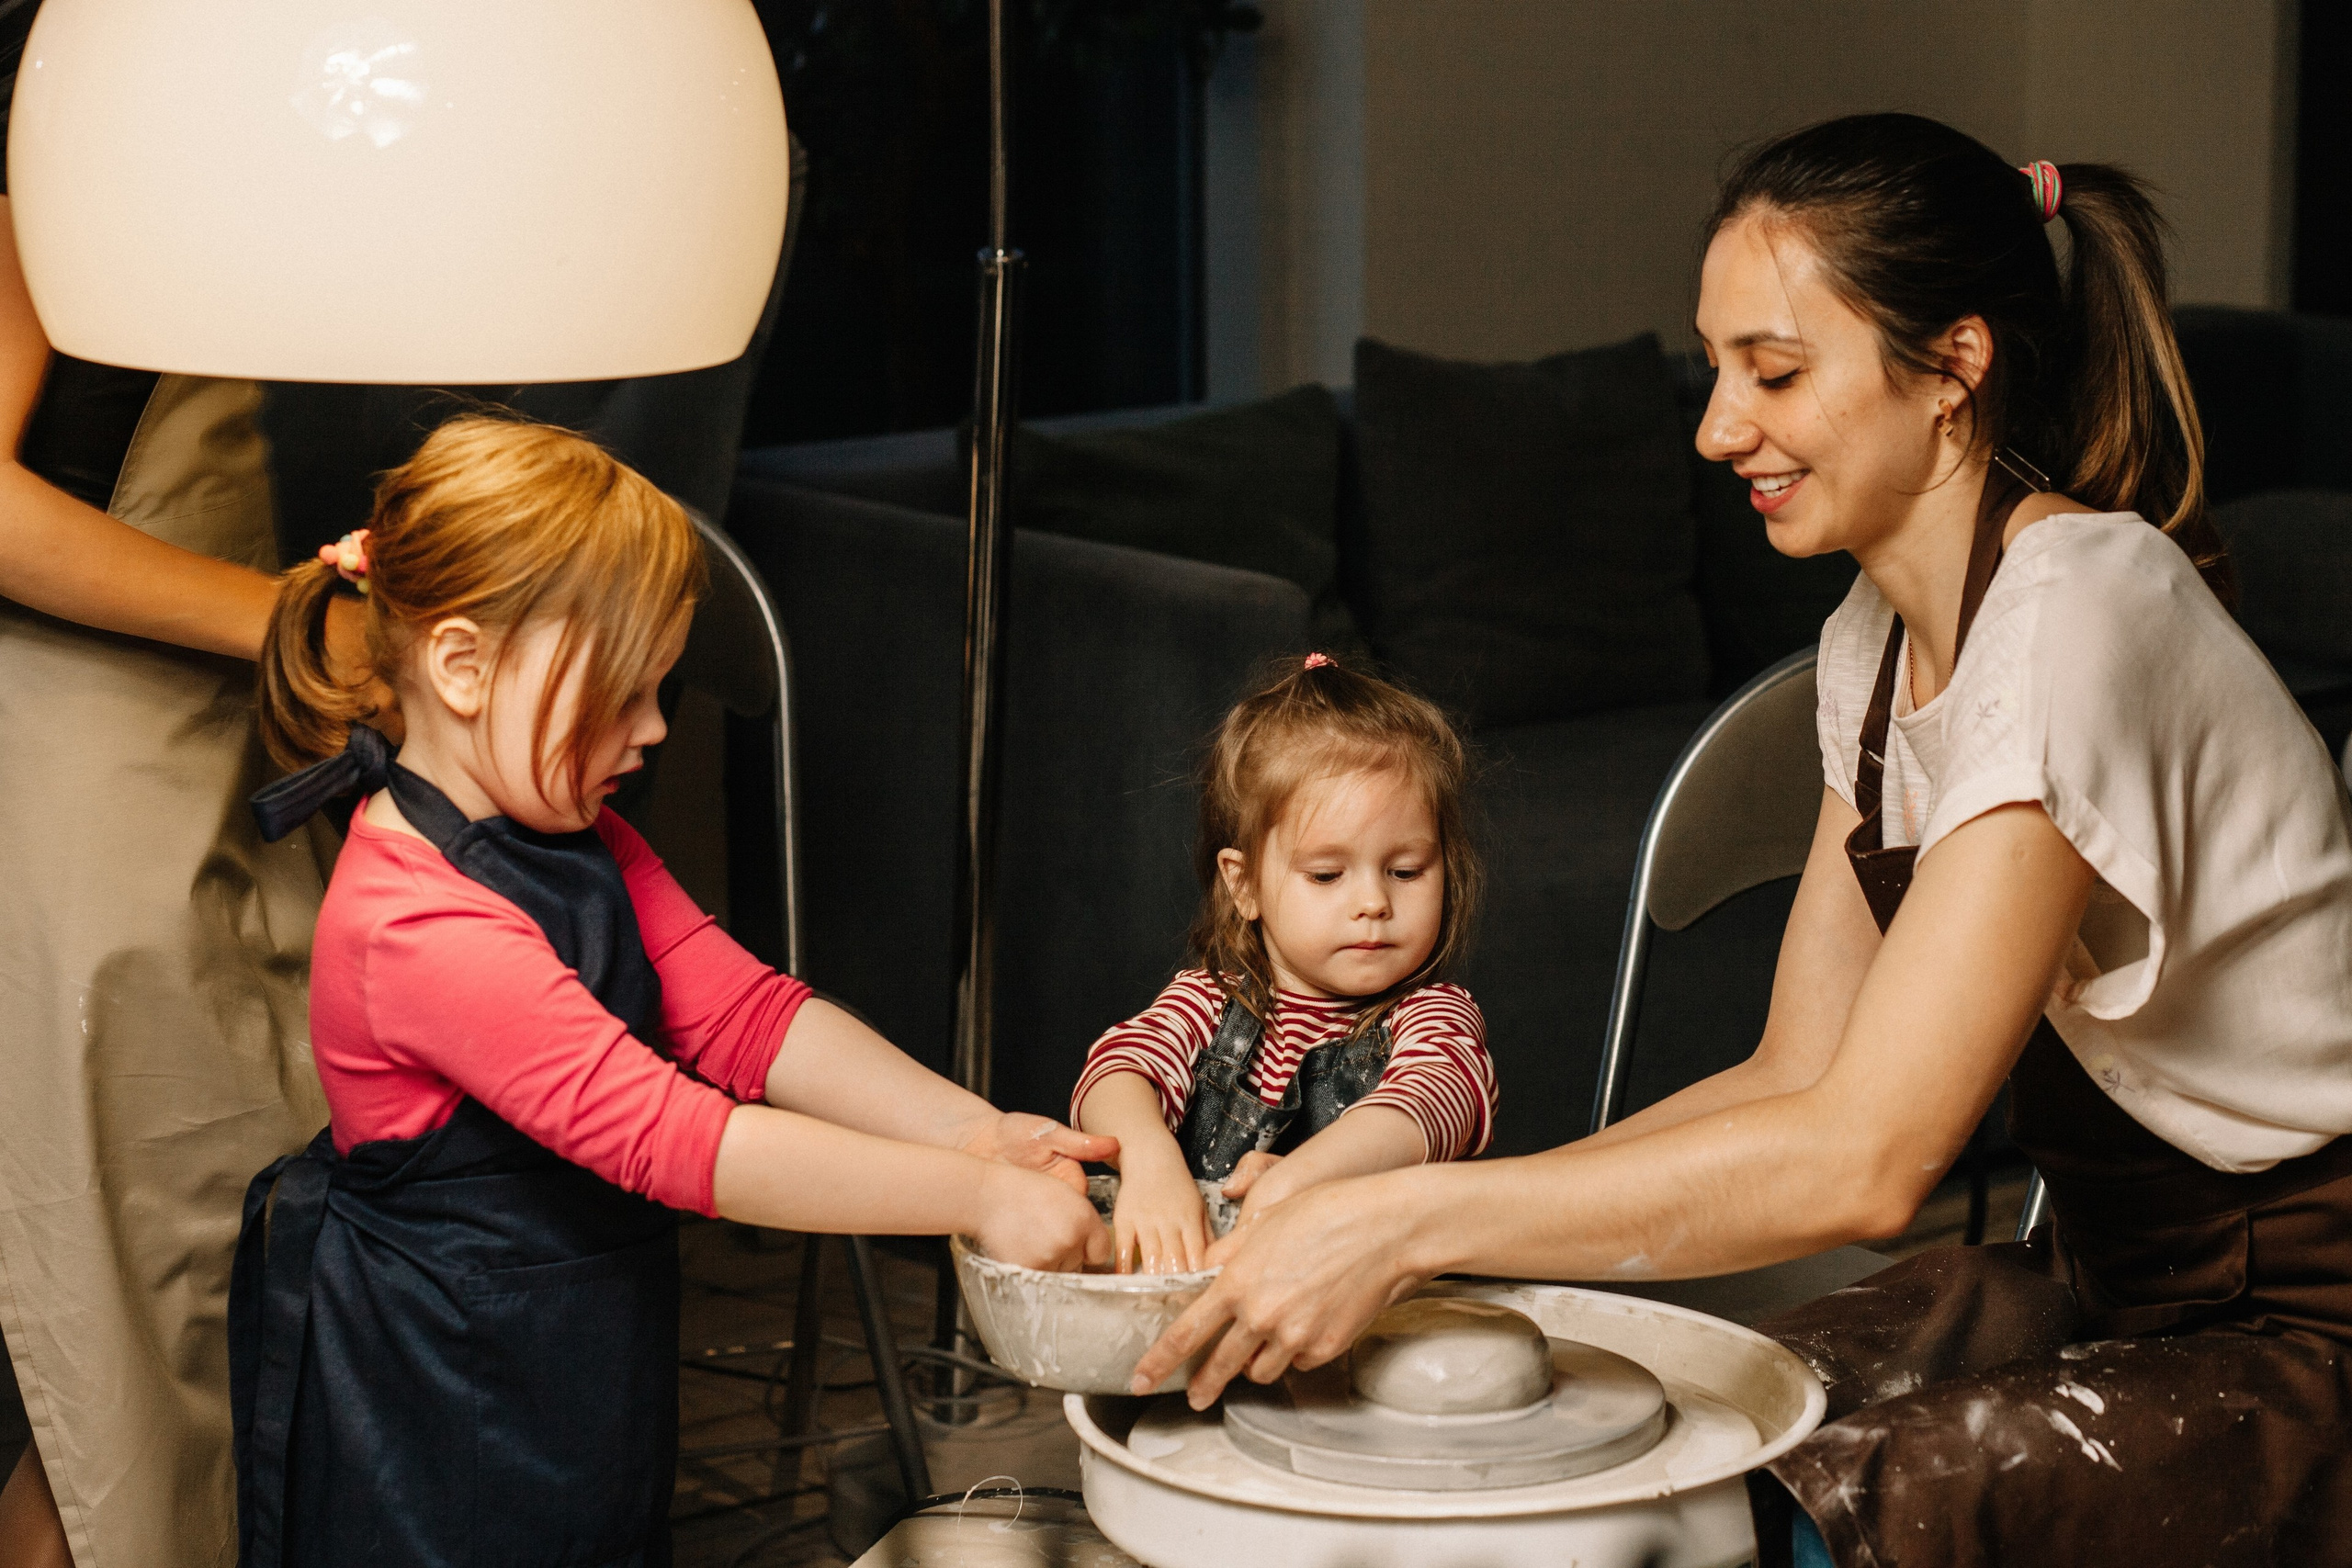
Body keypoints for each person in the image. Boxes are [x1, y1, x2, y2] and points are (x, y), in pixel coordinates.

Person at [1133, 114, 2352, 1566]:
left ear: (1954, 367)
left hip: (2310, 1329)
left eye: (1773, 372)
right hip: (2114, 1277)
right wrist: (1407, 1215)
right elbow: (1797, 1071)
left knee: (1793, 1513)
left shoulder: (2083, 613)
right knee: (1674, 1431)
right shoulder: (1877, 641)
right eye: (1718, 369)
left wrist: (1411, 1225)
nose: (1716, 426)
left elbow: (1866, 1159)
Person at [232, 416, 1111, 1567]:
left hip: (572, 1359)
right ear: (461, 666)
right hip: (439, 1392)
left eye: (661, 689)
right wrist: (970, 1197)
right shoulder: (412, 922)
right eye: (622, 692)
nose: (652, 729)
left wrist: (979, 1132)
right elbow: (676, 1139)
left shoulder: (571, 834)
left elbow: (743, 1015)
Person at [0, 5, 386, 1563]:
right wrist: (292, 623)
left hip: (196, 706)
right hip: (69, 727)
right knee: (108, 1293)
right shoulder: (68, 83)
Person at [1071, 654, 1498, 1273]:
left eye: (1406, 870)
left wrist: (1308, 1177)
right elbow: (1114, 1071)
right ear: (1243, 884)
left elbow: (1427, 1103)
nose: (1374, 902)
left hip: (1370, 1322)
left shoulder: (1433, 1017)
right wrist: (1148, 1157)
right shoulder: (1207, 1000)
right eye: (1327, 874)